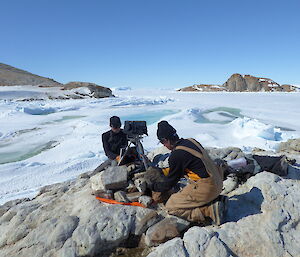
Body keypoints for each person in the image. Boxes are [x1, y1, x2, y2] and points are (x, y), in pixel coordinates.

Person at [147, 120, 227, 225]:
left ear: (166, 140)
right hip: (218, 181)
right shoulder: (191, 141)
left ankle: (209, 210)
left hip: (208, 187)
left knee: (171, 206)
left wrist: (154, 187)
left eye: (162, 143)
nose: (164, 146)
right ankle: (216, 199)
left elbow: (170, 183)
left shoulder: (177, 155)